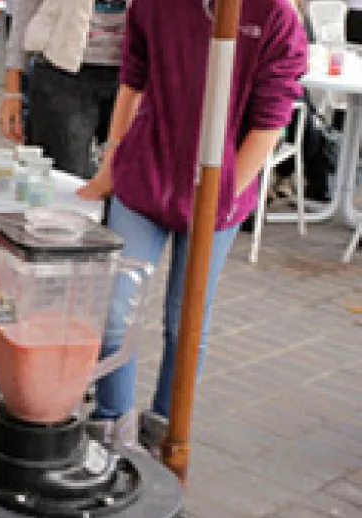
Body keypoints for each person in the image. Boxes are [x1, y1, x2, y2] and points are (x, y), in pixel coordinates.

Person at [76, 0, 307, 453]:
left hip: (218, 193)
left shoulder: (274, 15)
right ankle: (112, 426)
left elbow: (270, 122)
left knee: (185, 321)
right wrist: (111, 165)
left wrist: (222, 197)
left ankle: (166, 427)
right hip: (145, 177)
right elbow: (132, 82)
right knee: (116, 314)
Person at [0, 0, 129, 181]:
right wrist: (12, 88)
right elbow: (26, 7)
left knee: (132, 187)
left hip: (138, 74)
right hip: (60, 67)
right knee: (61, 186)